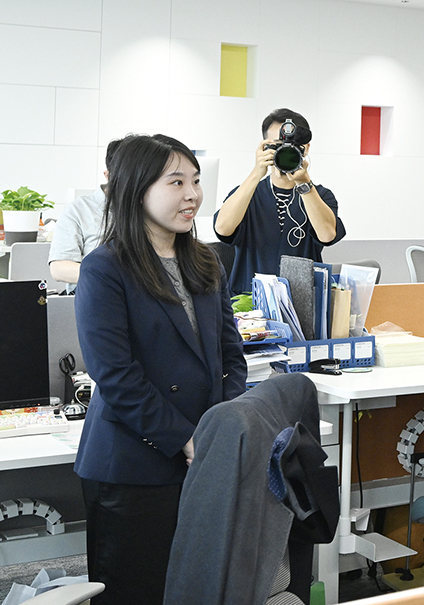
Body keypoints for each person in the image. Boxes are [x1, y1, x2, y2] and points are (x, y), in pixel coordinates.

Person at [74, 134, 247, 604]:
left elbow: (229, 355)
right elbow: (116, 376)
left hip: (203, 456)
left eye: (195, 181)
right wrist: (187, 440)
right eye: (176, 182)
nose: (192, 194)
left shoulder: (206, 261)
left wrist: (220, 426)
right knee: (137, 592)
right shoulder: (105, 267)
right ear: (137, 190)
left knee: (198, 589)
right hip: (134, 465)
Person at [214, 108, 346, 295]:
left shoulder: (320, 196)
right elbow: (222, 228)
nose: (285, 150)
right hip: (250, 302)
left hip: (302, 301)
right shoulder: (247, 193)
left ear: (306, 148)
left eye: (292, 145)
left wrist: (304, 184)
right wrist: (257, 172)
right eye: (277, 145)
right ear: (264, 148)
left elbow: (327, 235)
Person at [48, 139, 121, 292]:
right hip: (92, 294)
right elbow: (59, 268)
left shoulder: (148, 210)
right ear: (108, 176)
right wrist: (114, 277)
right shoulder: (79, 210)